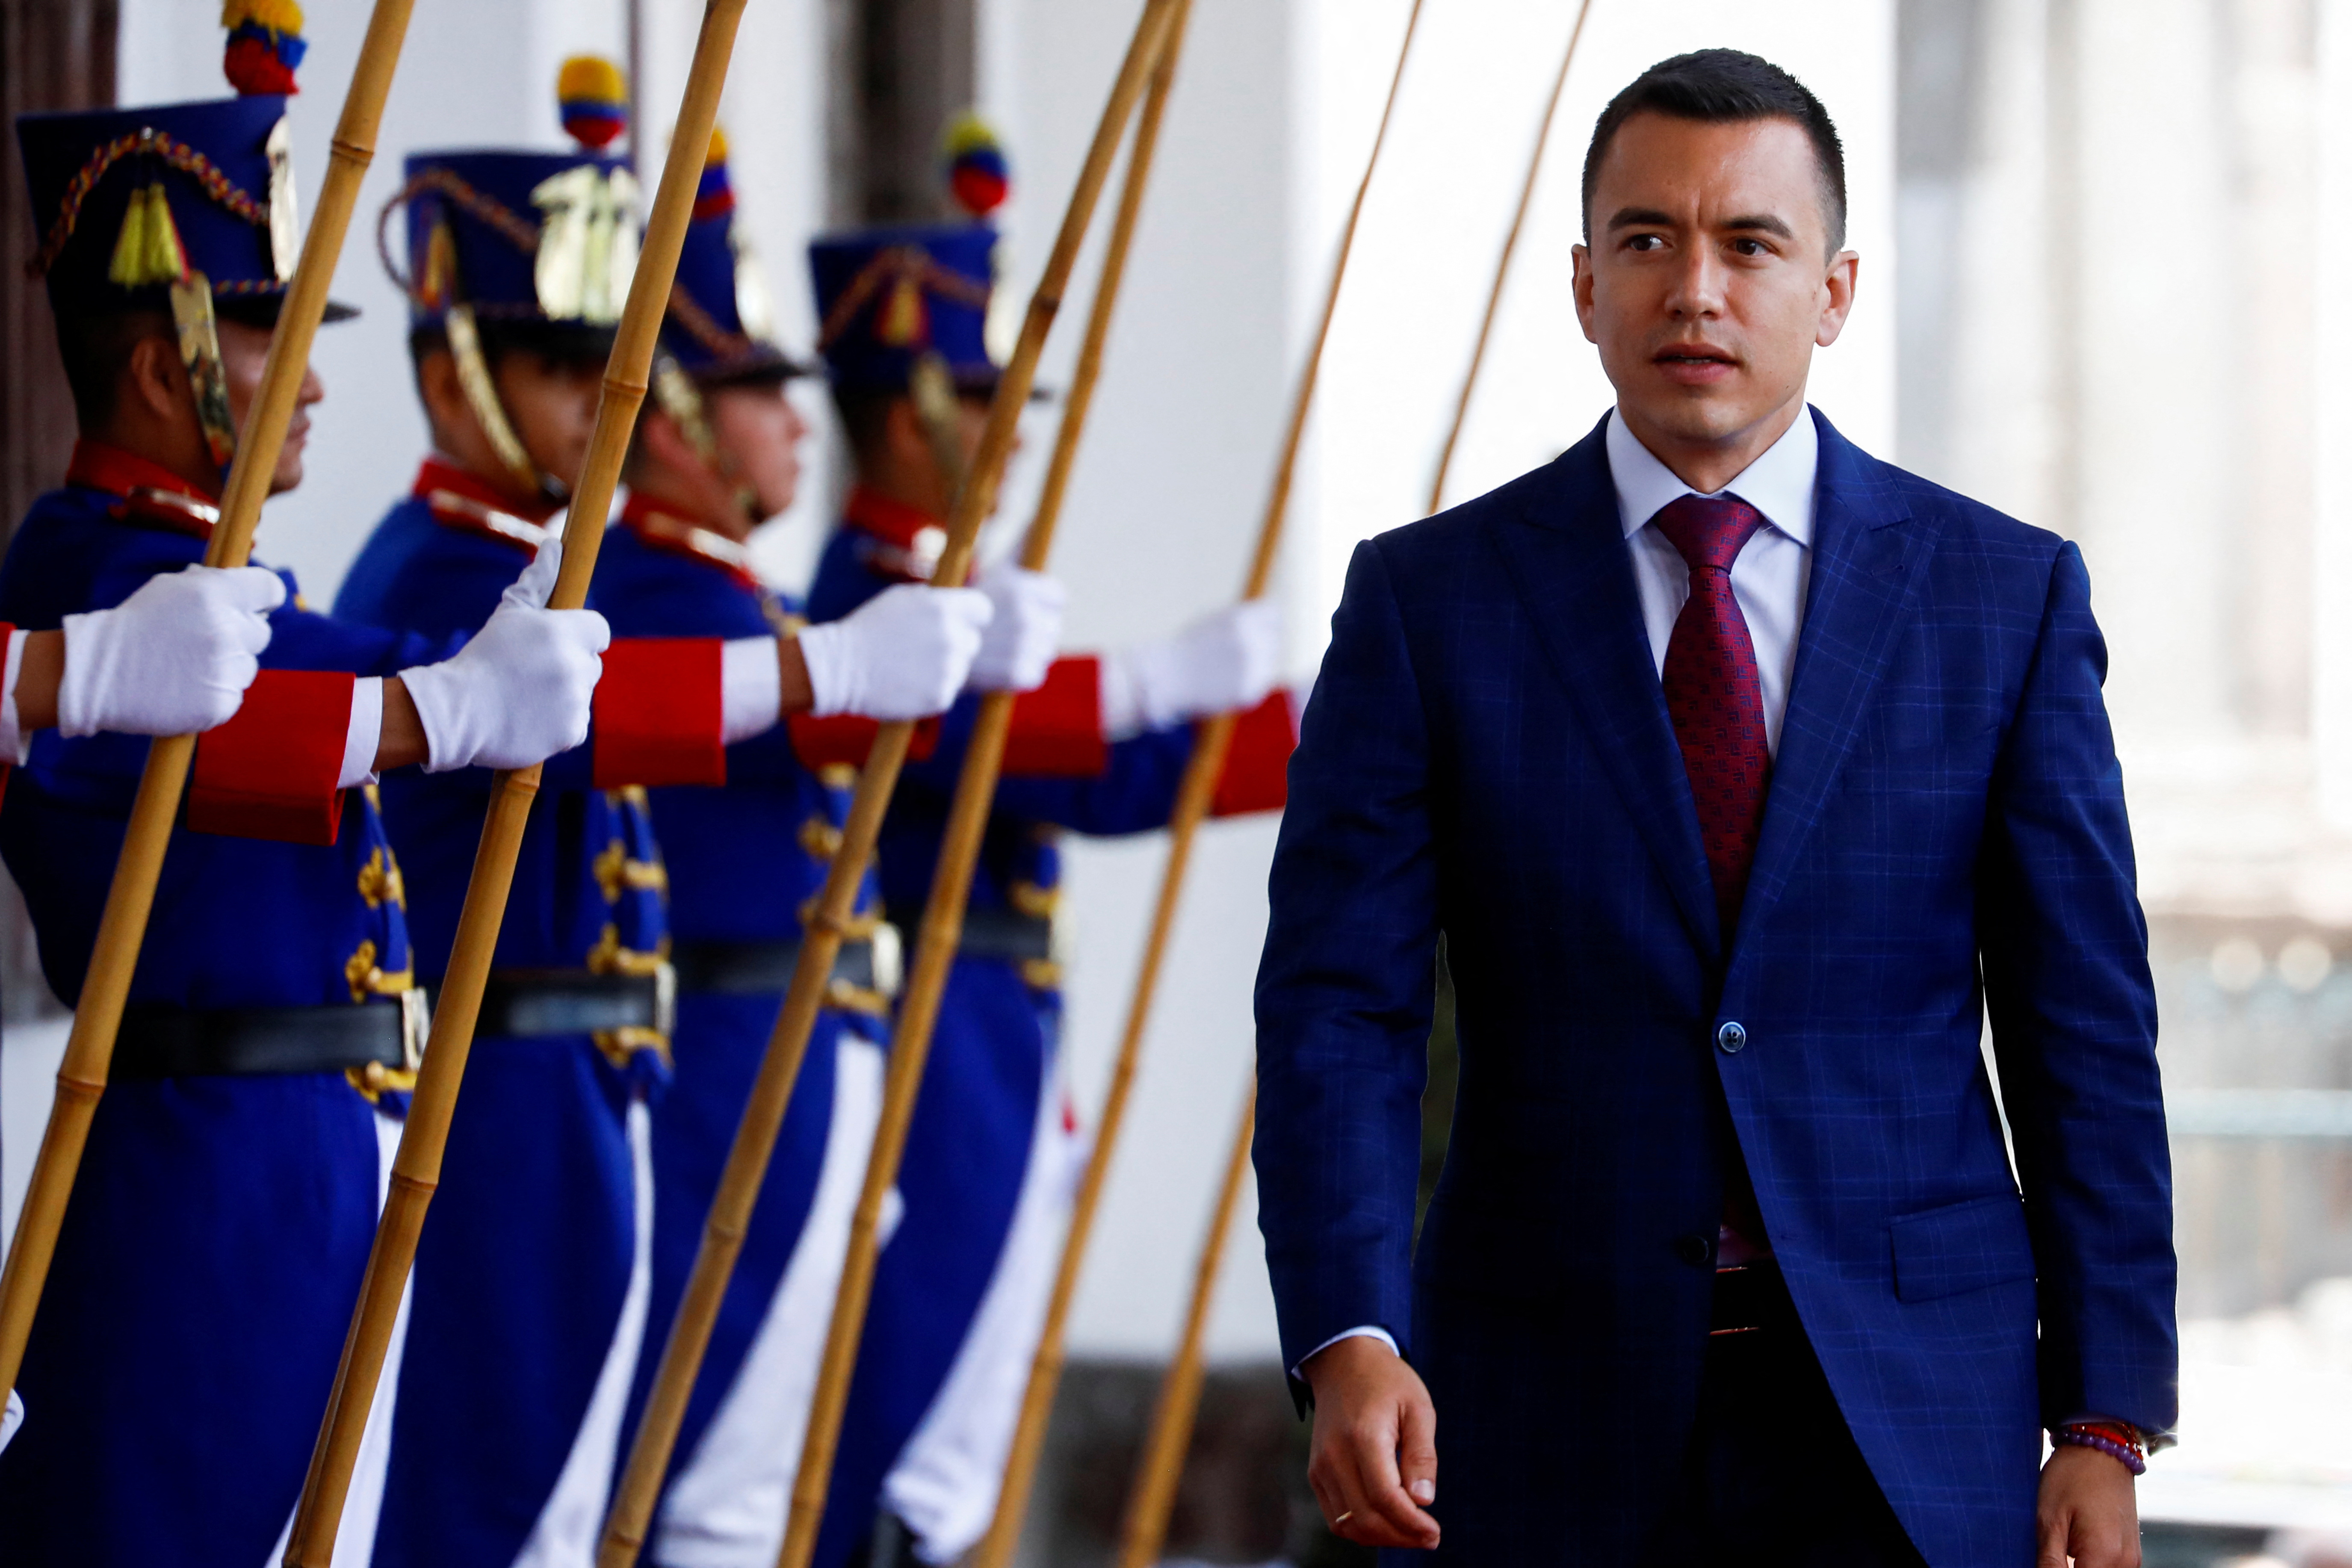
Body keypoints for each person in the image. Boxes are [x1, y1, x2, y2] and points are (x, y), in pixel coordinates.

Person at [1254, 48, 2177, 1568]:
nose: (1695, 290)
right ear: (1583, 284)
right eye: (1646, 240)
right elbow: (1338, 1011)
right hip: (1537, 1398)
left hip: (1909, 1407)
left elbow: (2079, 1025)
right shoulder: (1430, 604)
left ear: (1832, 290)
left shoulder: (1999, 599)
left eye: (1750, 244)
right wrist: (1348, 1329)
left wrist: (2104, 1415)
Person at [334, 62, 1008, 1568]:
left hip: (589, 1083)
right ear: (452, 378)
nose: (604, 404)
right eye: (559, 368)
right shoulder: (449, 573)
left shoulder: (548, 567)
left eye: (610, 366)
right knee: (519, 1519)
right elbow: (589, 714)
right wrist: (832, 668)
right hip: (504, 1099)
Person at [0, 12, 609, 1564]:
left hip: (311, 1152)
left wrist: (477, 683)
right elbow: (228, 728)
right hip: (206, 1163)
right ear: (164, 366)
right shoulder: (86, 573)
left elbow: (363, 678)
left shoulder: (218, 580)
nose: (317, 386)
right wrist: (438, 710)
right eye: (275, 339)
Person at [800, 133, 1300, 1568]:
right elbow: (992, 743)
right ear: (907, 411)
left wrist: (1327, 731)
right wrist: (1151, 679)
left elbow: (1107, 779)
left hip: (1004, 1032)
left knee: (971, 1408)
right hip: (931, 1034)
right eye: (985, 400)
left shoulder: (958, 591)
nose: (1013, 431)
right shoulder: (869, 600)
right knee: (906, 1399)